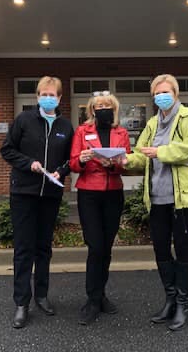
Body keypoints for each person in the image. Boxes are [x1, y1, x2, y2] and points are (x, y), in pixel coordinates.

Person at [123, 74, 188, 331]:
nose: (161, 96)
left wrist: (160, 152)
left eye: (165, 91)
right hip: (158, 198)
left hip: (185, 199)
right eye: (157, 93)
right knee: (161, 249)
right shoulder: (152, 124)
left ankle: (183, 304)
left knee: (183, 249)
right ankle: (170, 300)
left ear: (175, 93)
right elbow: (142, 155)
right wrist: (124, 161)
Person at [0, 76, 74, 329]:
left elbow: (70, 159)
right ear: (37, 96)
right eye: (44, 93)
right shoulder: (23, 120)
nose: (48, 97)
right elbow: (7, 150)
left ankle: (41, 295)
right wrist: (28, 163)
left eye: (52, 94)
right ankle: (22, 302)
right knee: (23, 249)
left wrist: (61, 172)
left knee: (43, 247)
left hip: (50, 195)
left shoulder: (66, 126)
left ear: (60, 98)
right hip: (23, 193)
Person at [70, 91, 131, 325]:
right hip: (89, 194)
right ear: (92, 110)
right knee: (95, 246)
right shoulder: (81, 131)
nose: (103, 108)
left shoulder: (122, 132)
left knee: (106, 247)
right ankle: (92, 299)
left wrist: (113, 165)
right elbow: (74, 162)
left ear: (113, 109)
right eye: (99, 105)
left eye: (107, 105)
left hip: (113, 193)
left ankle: (101, 294)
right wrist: (83, 159)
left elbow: (125, 164)